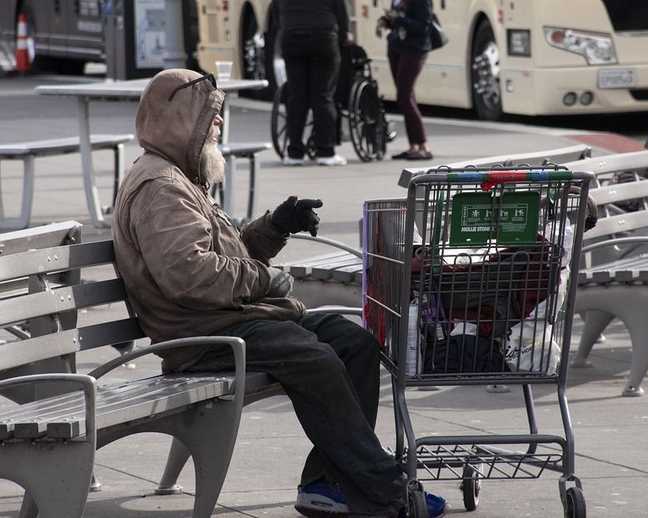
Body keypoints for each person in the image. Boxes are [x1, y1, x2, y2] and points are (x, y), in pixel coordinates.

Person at [112, 69, 446, 518]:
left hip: (228, 317)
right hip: (200, 334)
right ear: (179, 121)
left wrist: (275, 228)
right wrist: (266, 279)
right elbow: (190, 276)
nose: (218, 127)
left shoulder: (180, 177)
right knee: (314, 357)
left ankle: (327, 484)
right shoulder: (160, 187)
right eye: (210, 118)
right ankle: (386, 489)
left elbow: (222, 256)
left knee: (354, 343)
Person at [273, 0, 349, 166]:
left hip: (292, 38)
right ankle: (326, 152)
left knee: (297, 97)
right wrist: (343, 38)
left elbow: (276, 15)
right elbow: (341, 12)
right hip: (323, 37)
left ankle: (294, 153)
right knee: (323, 96)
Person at [378, 0, 434, 161]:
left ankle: (423, 145)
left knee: (404, 96)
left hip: (415, 49)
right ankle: (413, 145)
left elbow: (423, 26)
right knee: (406, 96)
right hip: (397, 47)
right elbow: (397, 18)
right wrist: (386, 21)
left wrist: (398, 20)